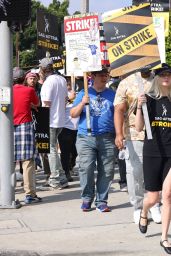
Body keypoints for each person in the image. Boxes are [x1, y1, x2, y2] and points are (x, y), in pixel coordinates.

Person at [114, 68, 161, 224]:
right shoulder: (126, 82)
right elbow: (119, 110)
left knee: (157, 171)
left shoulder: (161, 79)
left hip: (158, 133)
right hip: (135, 134)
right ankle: (139, 207)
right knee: (136, 172)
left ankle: (154, 204)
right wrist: (119, 134)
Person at [135, 64, 171, 254]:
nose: (166, 77)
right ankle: (144, 210)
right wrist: (140, 107)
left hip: (170, 154)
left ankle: (164, 238)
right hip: (152, 152)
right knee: (153, 197)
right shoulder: (148, 99)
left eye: (169, 75)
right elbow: (139, 128)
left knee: (167, 196)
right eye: (163, 75)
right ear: (156, 78)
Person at [70, 67, 116, 212]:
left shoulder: (112, 94)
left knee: (107, 171)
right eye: (101, 75)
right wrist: (83, 103)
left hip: (107, 137)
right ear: (93, 76)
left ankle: (102, 200)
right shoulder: (84, 92)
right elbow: (73, 114)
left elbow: (119, 115)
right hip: (86, 137)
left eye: (106, 75)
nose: (105, 77)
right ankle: (87, 198)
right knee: (86, 168)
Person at [13, 67, 42, 204]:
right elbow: (37, 103)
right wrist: (30, 105)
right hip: (24, 125)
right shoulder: (29, 90)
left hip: (8, 127)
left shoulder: (5, 91)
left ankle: (7, 192)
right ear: (24, 78)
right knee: (27, 162)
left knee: (7, 162)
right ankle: (29, 194)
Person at [40, 57, 69, 189]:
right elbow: (65, 100)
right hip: (60, 119)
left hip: (51, 120)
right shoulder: (62, 79)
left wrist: (42, 122)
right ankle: (61, 177)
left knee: (51, 149)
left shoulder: (48, 82)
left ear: (43, 69)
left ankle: (56, 178)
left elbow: (46, 104)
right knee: (54, 149)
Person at [58, 76, 79, 182]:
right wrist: (69, 98)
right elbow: (57, 108)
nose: (67, 85)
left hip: (77, 127)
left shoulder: (76, 93)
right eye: (65, 84)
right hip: (65, 127)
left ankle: (71, 166)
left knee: (75, 152)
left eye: (68, 83)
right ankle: (66, 172)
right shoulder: (61, 95)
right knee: (65, 152)